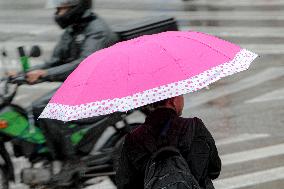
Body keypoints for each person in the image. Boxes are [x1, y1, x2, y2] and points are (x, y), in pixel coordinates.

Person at [12, 0, 118, 162]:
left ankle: (69, 162)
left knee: (45, 109)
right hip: (81, 86)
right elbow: (55, 62)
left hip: (98, 88)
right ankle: (47, 156)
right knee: (32, 110)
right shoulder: (73, 29)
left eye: (62, 9)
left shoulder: (97, 31)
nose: (58, 13)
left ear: (77, 7)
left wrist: (46, 73)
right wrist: (23, 74)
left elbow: (83, 65)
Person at [116, 95, 221, 189]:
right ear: (173, 100)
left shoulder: (133, 138)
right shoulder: (194, 126)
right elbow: (214, 170)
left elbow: (125, 183)